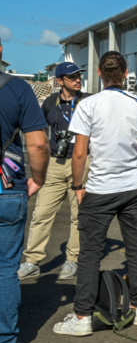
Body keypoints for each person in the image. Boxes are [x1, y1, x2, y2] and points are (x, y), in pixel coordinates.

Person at [53, 51, 137, 337]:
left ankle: (83, 315)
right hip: (133, 186)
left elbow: (79, 153)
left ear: (98, 73)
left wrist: (78, 187)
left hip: (100, 188)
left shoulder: (88, 105)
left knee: (90, 253)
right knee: (136, 247)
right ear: (125, 73)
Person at [0, 39, 49, 343]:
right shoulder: (18, 89)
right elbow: (38, 144)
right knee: (5, 268)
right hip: (7, 188)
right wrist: (38, 178)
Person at [18, 62, 89, 281]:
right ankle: (32, 261)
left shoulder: (88, 101)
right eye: (72, 77)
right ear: (60, 81)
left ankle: (72, 259)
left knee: (78, 215)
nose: (77, 80)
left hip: (82, 162)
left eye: (78, 76)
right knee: (41, 214)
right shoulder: (50, 102)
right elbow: (39, 130)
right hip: (55, 163)